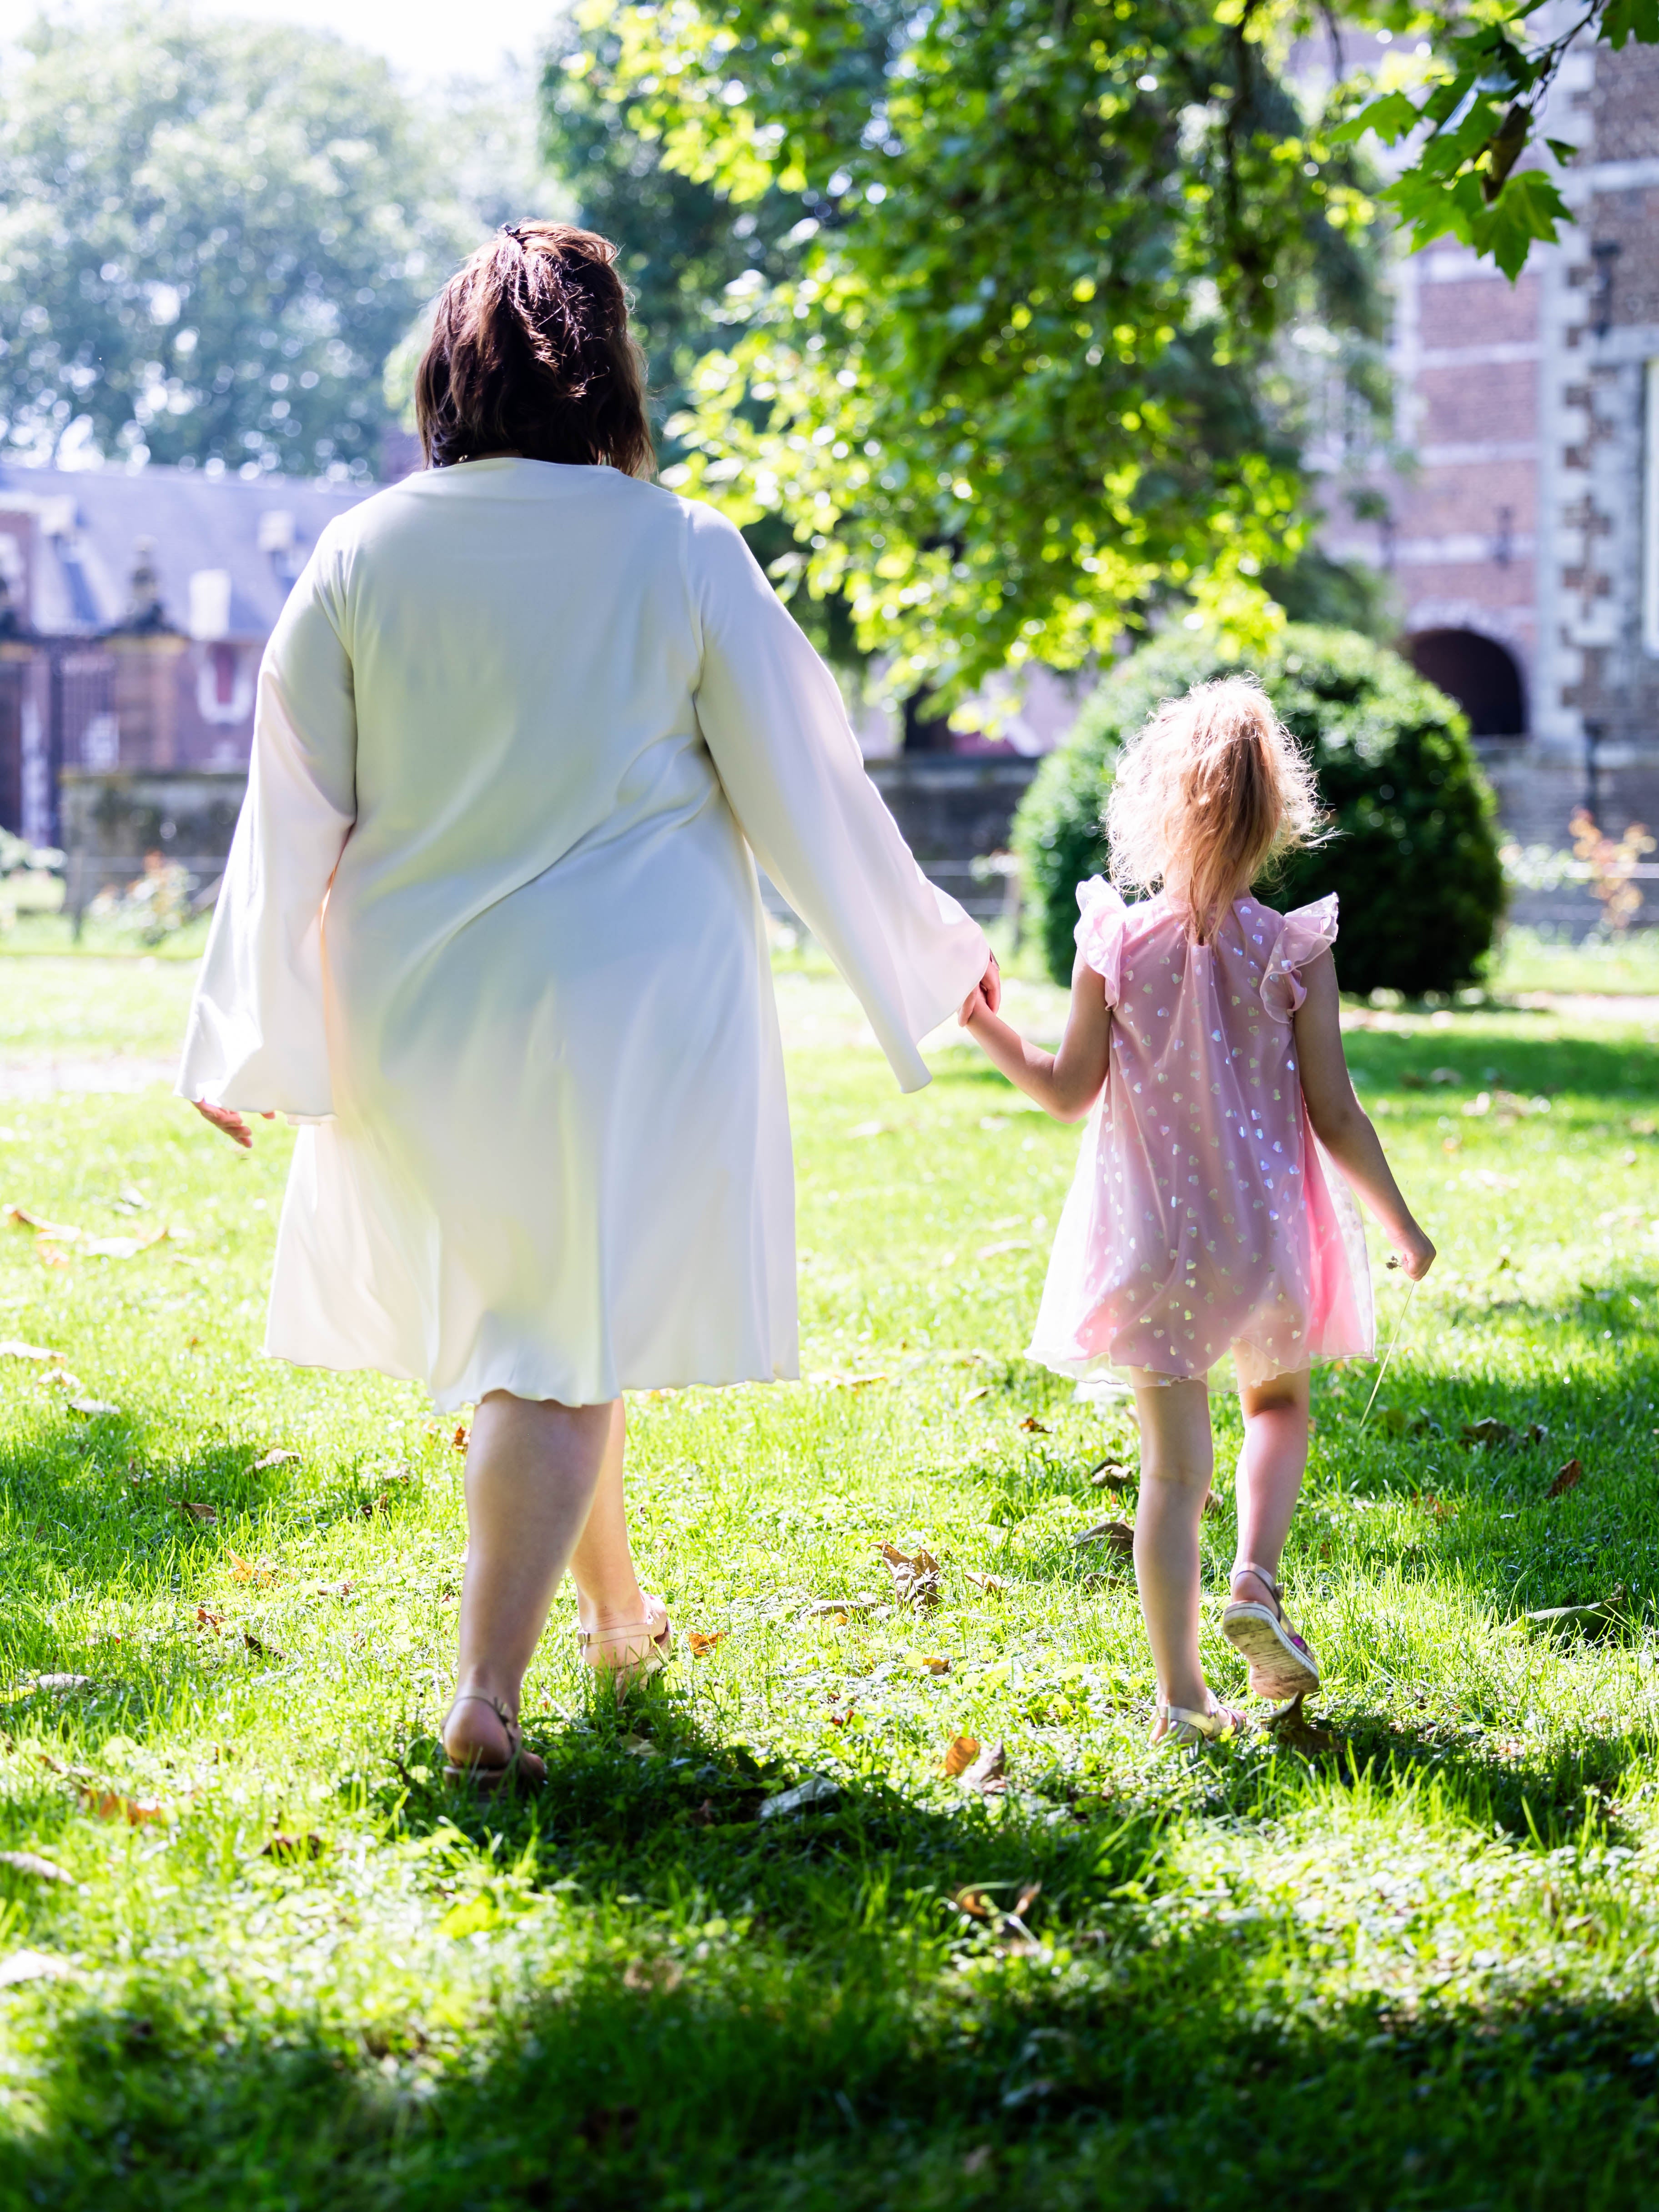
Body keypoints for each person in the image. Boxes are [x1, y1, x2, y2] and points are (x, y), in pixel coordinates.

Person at [178, 222, 997, 1789]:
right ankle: (484, 1689)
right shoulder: (673, 544)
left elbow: (290, 811)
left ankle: (619, 1618)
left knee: (551, 1318)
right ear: (607, 367)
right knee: (554, 1340)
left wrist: (240, 1035)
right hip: (622, 999)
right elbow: (803, 781)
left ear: (450, 369)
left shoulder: (361, 548)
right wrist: (924, 941)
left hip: (418, 1001)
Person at [959, 676, 1434, 1744]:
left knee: (1173, 1474)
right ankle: (1255, 1578)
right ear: (1278, 820)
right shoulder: (1294, 949)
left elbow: (1067, 1088)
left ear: (1151, 810)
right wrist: (1402, 1225)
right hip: (1263, 1240)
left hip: (1152, 1245)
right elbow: (1336, 1112)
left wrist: (984, 1022)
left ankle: (1182, 1697)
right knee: (1277, 1408)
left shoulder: (1115, 943)